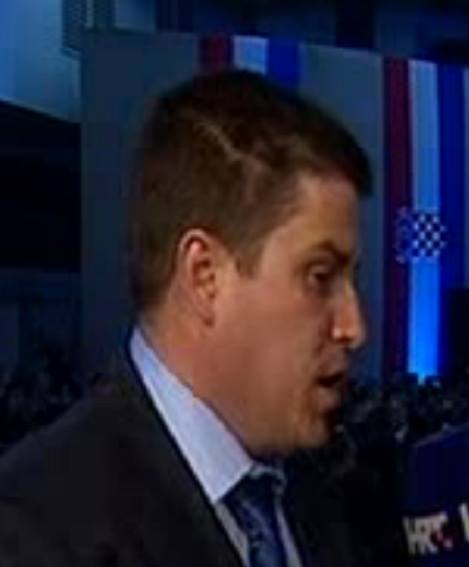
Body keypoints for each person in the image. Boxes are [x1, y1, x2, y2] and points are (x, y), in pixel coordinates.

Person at [0, 70, 371, 566]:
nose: (354, 326)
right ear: (204, 276)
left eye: (352, 280)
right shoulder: (36, 529)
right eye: (320, 277)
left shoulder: (321, 492)